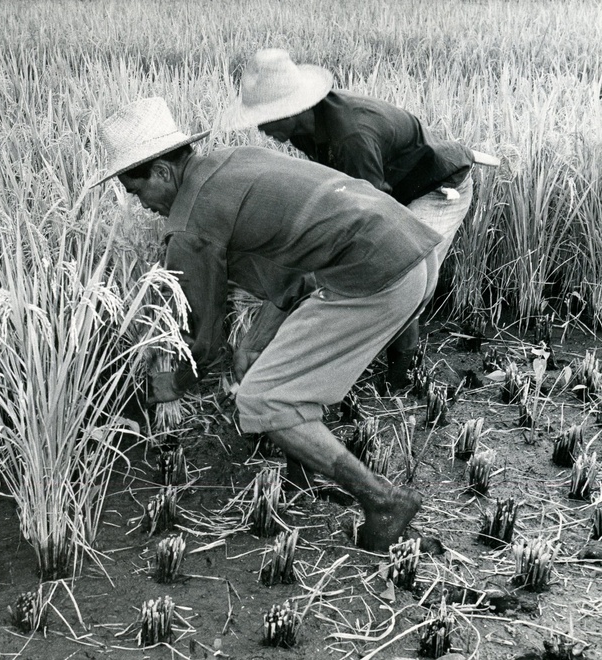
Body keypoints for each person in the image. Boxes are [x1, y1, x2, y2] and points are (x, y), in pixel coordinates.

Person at [93, 96, 442, 552]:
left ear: (161, 172)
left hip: (375, 275)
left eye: (138, 192)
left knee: (263, 400)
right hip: (412, 250)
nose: (143, 206)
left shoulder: (190, 228)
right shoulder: (230, 164)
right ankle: (304, 459)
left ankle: (382, 499)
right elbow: (292, 277)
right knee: (270, 372)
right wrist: (253, 343)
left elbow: (205, 341)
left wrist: (170, 383)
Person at [220, 48, 498, 392]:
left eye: (267, 117)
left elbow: (377, 216)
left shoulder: (351, 136)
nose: (261, 128)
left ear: (294, 107)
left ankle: (401, 379)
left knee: (403, 271)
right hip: (392, 181)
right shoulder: (303, 128)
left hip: (436, 188)